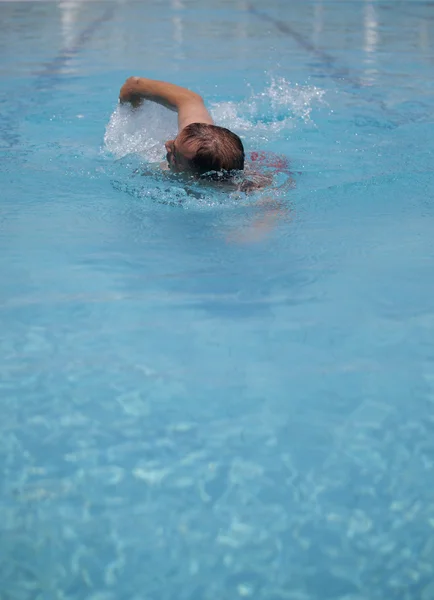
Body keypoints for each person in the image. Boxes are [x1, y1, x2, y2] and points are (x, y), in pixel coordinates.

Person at [119, 76, 248, 182]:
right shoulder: (197, 136)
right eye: (175, 139)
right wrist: (131, 114)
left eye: (174, 152)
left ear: (193, 176)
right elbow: (134, 84)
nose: (167, 144)